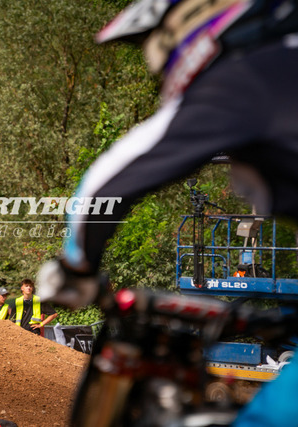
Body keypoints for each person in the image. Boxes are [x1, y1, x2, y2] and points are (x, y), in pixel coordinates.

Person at [32, 0, 298, 425]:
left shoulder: (249, 76)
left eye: (159, 58)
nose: (161, 78)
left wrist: (75, 267)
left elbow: (107, 180)